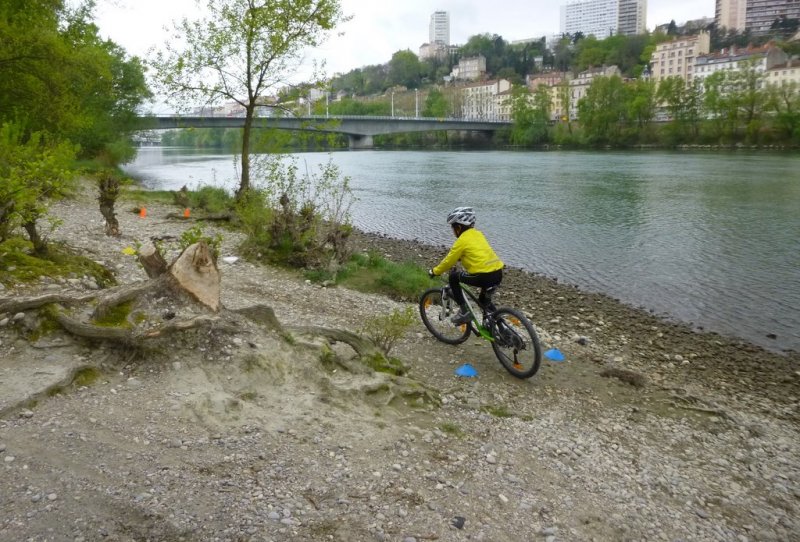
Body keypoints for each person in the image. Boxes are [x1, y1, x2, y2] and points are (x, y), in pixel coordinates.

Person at [428, 206, 504, 325]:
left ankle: (464, 311)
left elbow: (448, 261)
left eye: (452, 227)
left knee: (454, 277)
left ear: (458, 227)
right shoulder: (478, 234)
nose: (452, 231)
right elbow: (477, 252)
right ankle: (501, 327)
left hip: (483, 276)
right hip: (498, 272)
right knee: (484, 301)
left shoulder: (461, 241)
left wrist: (435, 271)